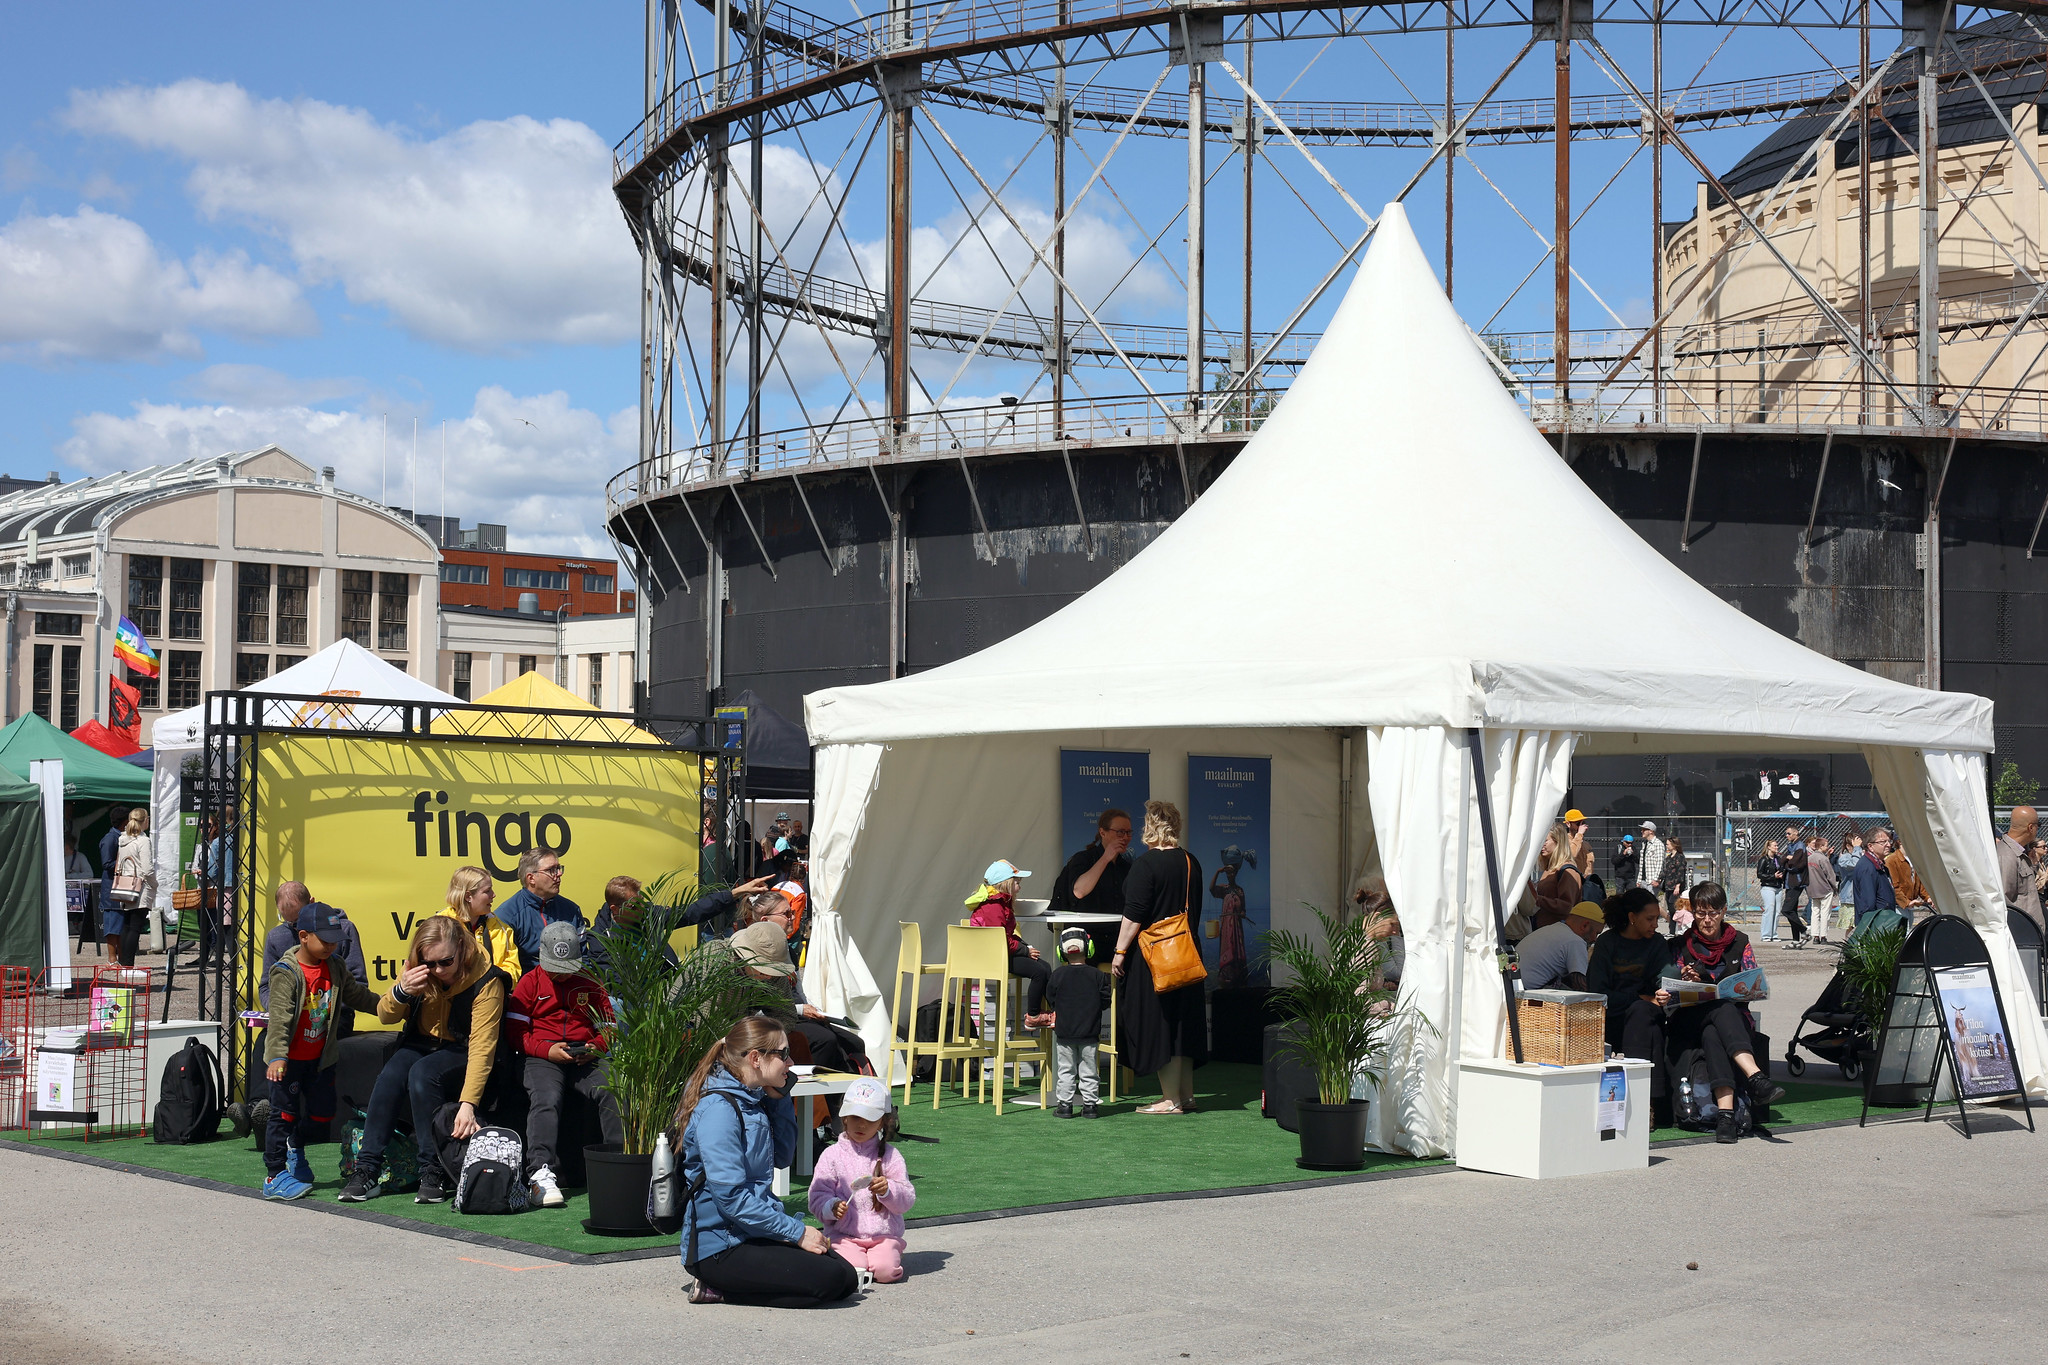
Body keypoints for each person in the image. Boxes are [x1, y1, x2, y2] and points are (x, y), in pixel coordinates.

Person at [674, 1016, 858, 1307]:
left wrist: (780, 1099)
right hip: (720, 1247)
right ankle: (717, 1289)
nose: (790, 1062)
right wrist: (797, 1233)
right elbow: (732, 1199)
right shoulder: (719, 1110)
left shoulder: (754, 1099)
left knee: (847, 1276)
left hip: (752, 1232)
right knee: (830, 1281)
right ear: (756, 1058)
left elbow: (783, 1157)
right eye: (783, 1054)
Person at [339, 916, 509, 1204]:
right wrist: (402, 990)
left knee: (422, 1073)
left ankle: (432, 1170)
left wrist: (468, 1105)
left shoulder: (487, 980)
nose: (438, 970)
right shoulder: (419, 969)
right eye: (430, 963)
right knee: (392, 1073)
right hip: (422, 1042)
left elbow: (482, 1048)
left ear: (461, 951)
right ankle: (367, 1168)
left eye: (445, 962)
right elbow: (385, 1014)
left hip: (463, 1047)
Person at [261, 903, 381, 1199]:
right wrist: (277, 1056)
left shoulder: (335, 966)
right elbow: (279, 1017)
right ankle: (274, 1175)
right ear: (303, 936)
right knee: (282, 1116)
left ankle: (295, 1146)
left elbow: (357, 995)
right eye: (325, 940)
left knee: (323, 1114)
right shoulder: (286, 972)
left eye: (335, 940)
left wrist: (387, 1006)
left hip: (319, 1060)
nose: (332, 946)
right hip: (287, 1062)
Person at [506, 921, 621, 1209]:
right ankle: (540, 1174)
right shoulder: (529, 982)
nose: (561, 974)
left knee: (613, 1088)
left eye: (567, 966)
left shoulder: (590, 980)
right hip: (542, 1057)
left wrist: (597, 1046)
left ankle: (619, 1164)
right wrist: (546, 1050)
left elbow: (608, 1023)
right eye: (555, 966)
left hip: (586, 1057)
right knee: (546, 1097)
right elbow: (515, 1033)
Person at [1666, 883, 1786, 1143]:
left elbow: (1751, 983)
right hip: (1689, 1019)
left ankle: (1725, 1119)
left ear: (1724, 911)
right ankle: (1755, 1077)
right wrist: (1685, 978)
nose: (1707, 920)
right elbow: (1669, 988)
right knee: (1719, 1009)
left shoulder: (1740, 941)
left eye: (1713, 913)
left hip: (1727, 1022)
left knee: (1714, 1029)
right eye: (1700, 913)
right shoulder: (1681, 945)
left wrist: (1745, 988)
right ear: (1693, 913)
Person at [1112, 800, 1207, 1115]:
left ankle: (1170, 1100)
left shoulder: (1146, 864)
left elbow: (1134, 915)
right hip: (1188, 954)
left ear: (1151, 828)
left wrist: (1120, 951)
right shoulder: (1191, 861)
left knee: (1160, 1024)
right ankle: (1186, 1096)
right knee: (1181, 1026)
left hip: (1156, 958)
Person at [807, 1075, 915, 1284]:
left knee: (886, 1271)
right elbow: (817, 1197)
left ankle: (888, 1252)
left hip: (883, 1235)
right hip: (843, 1236)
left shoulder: (891, 1155)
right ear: (844, 1117)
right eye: (856, 1117)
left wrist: (888, 1190)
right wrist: (832, 1207)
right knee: (852, 1270)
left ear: (883, 1122)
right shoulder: (832, 1155)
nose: (862, 1125)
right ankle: (862, 1261)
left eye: (870, 1119)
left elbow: (907, 1199)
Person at [729, 918, 869, 1075]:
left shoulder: (775, 970)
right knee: (822, 1039)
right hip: (730, 1038)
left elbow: (785, 1014)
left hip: (759, 1032)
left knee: (850, 1041)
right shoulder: (721, 966)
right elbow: (710, 1024)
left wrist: (771, 1040)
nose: (769, 976)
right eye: (763, 969)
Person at [1587, 889, 1671, 1075]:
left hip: (1645, 1013)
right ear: (1632, 917)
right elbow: (1597, 991)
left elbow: (1665, 977)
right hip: (1612, 1015)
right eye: (1650, 919)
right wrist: (1638, 998)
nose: (1655, 925)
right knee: (1642, 1014)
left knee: (1643, 1015)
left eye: (1657, 919)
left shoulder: (1657, 942)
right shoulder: (1607, 943)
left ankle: (1647, 1091)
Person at [966, 859, 1052, 1028]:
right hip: (995, 957)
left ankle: (1054, 1010)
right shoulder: (993, 906)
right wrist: (1024, 950)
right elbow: (1000, 940)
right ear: (1005, 884)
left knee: (1045, 967)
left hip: (1002, 952)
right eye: (1017, 883)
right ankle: (1033, 1015)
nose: (1019, 886)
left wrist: (1025, 947)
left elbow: (1007, 935)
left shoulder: (1001, 903)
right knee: (1039, 972)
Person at [1049, 807, 1135, 964]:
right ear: (1103, 832)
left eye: (1129, 833)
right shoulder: (1083, 859)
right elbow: (1079, 891)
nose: (1125, 837)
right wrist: (1105, 858)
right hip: (1088, 939)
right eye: (1120, 832)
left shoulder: (1127, 866)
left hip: (1118, 939)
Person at [1045, 925, 1112, 1118]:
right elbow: (1106, 1000)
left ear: (1061, 952)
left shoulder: (1057, 975)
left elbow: (1051, 998)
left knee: (1065, 1070)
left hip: (1064, 1033)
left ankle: (1064, 1105)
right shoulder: (1098, 975)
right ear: (1089, 948)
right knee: (1089, 1070)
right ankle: (1090, 1106)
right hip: (1090, 1033)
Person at [493, 847, 580, 972]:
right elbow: (506, 968)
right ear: (531, 878)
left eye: (558, 868)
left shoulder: (571, 910)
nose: (559, 874)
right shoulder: (507, 916)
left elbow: (583, 958)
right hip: (528, 988)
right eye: (551, 870)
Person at [263, 882, 367, 983]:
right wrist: (279, 1001)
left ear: (311, 902)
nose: (296, 928)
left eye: (298, 921)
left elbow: (357, 981)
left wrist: (334, 1000)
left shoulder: (344, 929)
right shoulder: (275, 937)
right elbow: (266, 985)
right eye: (288, 921)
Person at [432, 866, 522, 979]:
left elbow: (513, 968)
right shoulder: (438, 926)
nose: (493, 895)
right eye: (487, 891)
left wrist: (495, 983)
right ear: (468, 896)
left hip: (493, 994)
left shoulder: (502, 929)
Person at [1516, 900, 1605, 991]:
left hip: (1514, 987)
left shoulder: (1554, 929)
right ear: (1585, 925)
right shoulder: (1575, 941)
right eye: (1596, 933)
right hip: (1525, 993)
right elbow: (1580, 985)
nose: (1595, 939)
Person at [108, 809, 155, 967]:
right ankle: (128, 964)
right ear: (145, 821)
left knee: (127, 925)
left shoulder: (123, 839)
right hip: (141, 886)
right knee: (135, 927)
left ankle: (124, 962)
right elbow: (147, 868)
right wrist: (155, 884)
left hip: (126, 886)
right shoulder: (143, 841)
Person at [1997, 806, 2044, 934]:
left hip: (2030, 933)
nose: (2037, 829)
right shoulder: (2007, 855)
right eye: (2038, 825)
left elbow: (2024, 889)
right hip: (2022, 934)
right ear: (2030, 828)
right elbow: (2004, 900)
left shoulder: (2018, 852)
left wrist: (2033, 865)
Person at [1529, 823, 1583, 931]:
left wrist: (1537, 899)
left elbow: (1566, 906)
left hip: (1558, 933)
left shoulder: (1568, 871)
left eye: (1545, 840)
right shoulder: (1550, 868)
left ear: (1558, 841)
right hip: (1545, 930)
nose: (1541, 845)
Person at [1849, 828, 1901, 936]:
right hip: (1875, 927)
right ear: (1870, 846)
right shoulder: (1867, 867)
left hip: (1884, 922)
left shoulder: (1880, 865)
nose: (1888, 845)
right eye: (1882, 842)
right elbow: (1868, 903)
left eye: (1889, 841)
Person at [1884, 834, 1931, 925]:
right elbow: (1894, 887)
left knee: (1909, 933)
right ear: (1900, 841)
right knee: (1902, 934)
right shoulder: (1892, 860)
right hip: (1898, 907)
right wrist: (1906, 902)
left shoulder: (1914, 860)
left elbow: (1919, 884)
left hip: (1910, 905)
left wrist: (1927, 897)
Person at [1779, 827, 1811, 948]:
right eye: (1785, 833)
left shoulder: (1800, 846)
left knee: (1786, 910)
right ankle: (1796, 940)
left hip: (1796, 882)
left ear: (1796, 833)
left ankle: (1804, 931)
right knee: (1792, 911)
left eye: (1789, 833)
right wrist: (1786, 860)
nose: (1786, 835)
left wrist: (1787, 862)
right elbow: (1782, 861)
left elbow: (1797, 864)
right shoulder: (1790, 846)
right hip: (1788, 882)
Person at [1806, 835, 1840, 944]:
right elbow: (1830, 875)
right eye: (1826, 845)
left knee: (1815, 912)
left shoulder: (1809, 858)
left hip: (1813, 889)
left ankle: (1815, 936)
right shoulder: (1823, 859)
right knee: (1825, 913)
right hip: (1825, 889)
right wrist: (1834, 887)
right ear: (1821, 846)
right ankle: (1823, 936)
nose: (1827, 847)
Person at [1654, 836, 1689, 929]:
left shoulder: (1680, 857)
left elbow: (1680, 872)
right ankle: (1672, 929)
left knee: (1674, 907)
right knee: (1670, 907)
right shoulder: (1669, 858)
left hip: (1675, 886)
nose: (1667, 846)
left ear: (1674, 845)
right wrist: (1659, 880)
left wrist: (1678, 886)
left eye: (1668, 844)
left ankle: (1676, 928)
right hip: (1668, 886)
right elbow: (1664, 870)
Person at [1756, 840, 1785, 943]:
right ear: (1768, 847)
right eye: (1775, 846)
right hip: (1768, 887)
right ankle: (1766, 935)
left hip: (1778, 886)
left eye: (1777, 845)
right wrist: (1773, 876)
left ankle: (1774, 934)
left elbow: (1781, 869)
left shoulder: (1778, 859)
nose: (1777, 847)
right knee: (1769, 909)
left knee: (1777, 911)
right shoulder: (1764, 859)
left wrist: (1781, 876)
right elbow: (1759, 874)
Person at [1836, 831, 1864, 924]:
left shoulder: (1862, 856)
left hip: (1863, 897)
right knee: (1851, 926)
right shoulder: (1844, 858)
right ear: (1848, 846)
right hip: (1850, 899)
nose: (1860, 849)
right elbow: (1855, 865)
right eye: (1857, 846)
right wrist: (1857, 848)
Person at [1634, 822, 1665, 898]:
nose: (1642, 831)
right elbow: (1642, 864)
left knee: (1651, 902)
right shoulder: (1644, 844)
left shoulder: (1658, 844)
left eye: (1644, 829)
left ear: (1651, 831)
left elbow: (1660, 863)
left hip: (1651, 881)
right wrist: (1639, 880)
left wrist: (1656, 879)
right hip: (1644, 880)